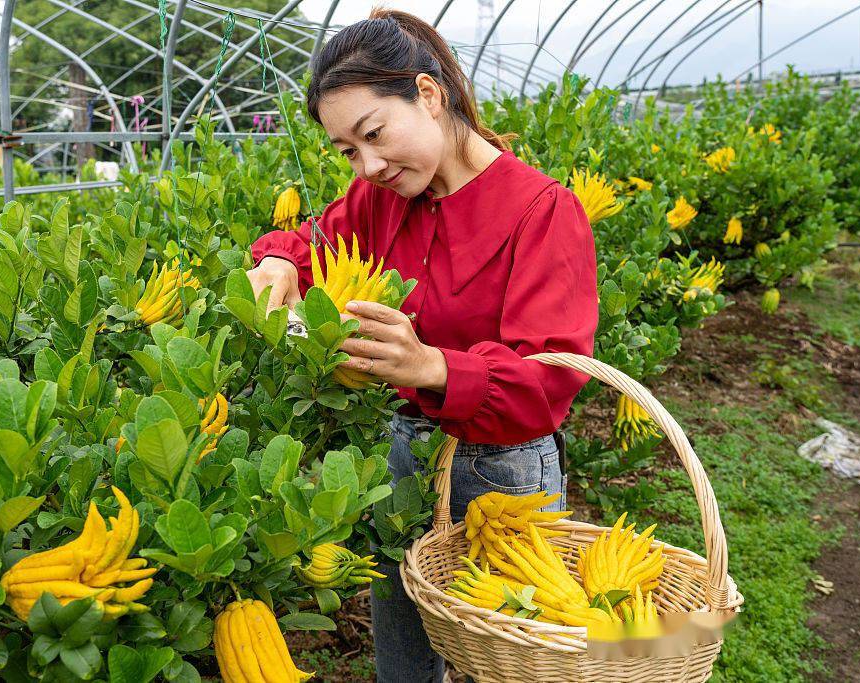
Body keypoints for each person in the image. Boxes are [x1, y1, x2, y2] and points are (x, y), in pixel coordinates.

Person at [246, 9, 598, 682]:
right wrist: (281, 262)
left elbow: (549, 376)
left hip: (504, 473)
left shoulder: (540, 210)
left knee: (514, 650)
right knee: (403, 647)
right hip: (402, 453)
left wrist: (431, 364)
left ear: (428, 95)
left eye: (374, 134)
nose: (369, 164)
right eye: (348, 150)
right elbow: (314, 241)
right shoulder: (379, 198)